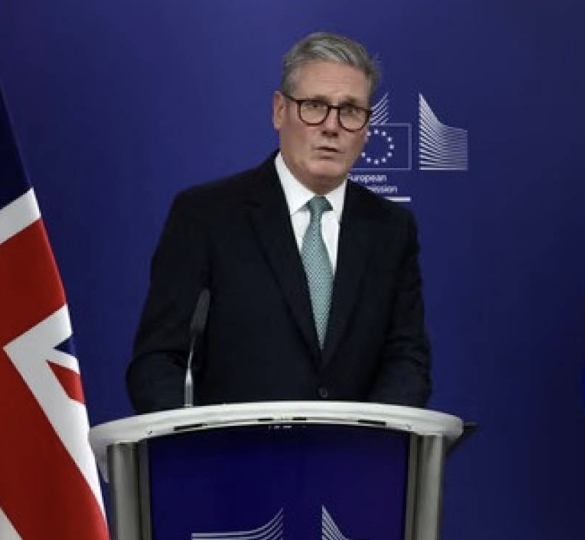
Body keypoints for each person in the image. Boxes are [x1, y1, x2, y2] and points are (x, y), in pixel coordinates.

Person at [126, 32, 431, 413]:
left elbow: (407, 358)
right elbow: (158, 362)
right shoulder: (205, 216)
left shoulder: (391, 228)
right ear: (279, 111)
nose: (331, 126)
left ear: (367, 127)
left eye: (350, 110)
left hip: (354, 451)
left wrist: (371, 438)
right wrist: (195, 444)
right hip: (232, 449)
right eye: (315, 106)